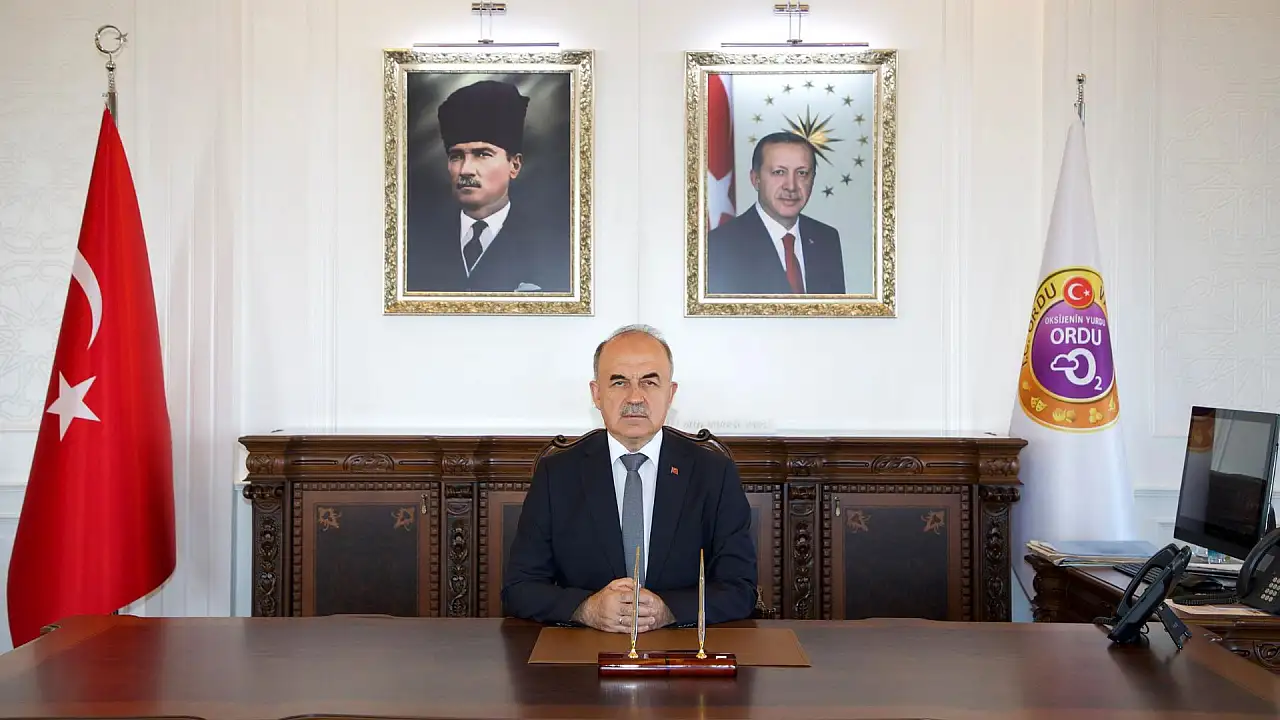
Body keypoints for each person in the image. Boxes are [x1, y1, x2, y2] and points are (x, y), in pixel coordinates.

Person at [501, 325, 758, 632]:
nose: (635, 397)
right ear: (597, 394)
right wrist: (586, 609)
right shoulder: (556, 475)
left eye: (649, 382)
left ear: (670, 394)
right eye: (619, 382)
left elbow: (740, 588)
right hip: (584, 650)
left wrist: (668, 611)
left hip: (682, 649)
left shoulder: (713, 474)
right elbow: (519, 588)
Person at [405, 79, 571, 293]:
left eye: (482, 154)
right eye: (456, 156)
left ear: (514, 165)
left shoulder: (551, 245)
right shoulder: (418, 243)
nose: (465, 170)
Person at [706, 131, 846, 295]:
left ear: (812, 179)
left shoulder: (826, 239)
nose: (791, 186)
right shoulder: (719, 246)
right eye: (779, 172)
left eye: (802, 173)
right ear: (755, 179)